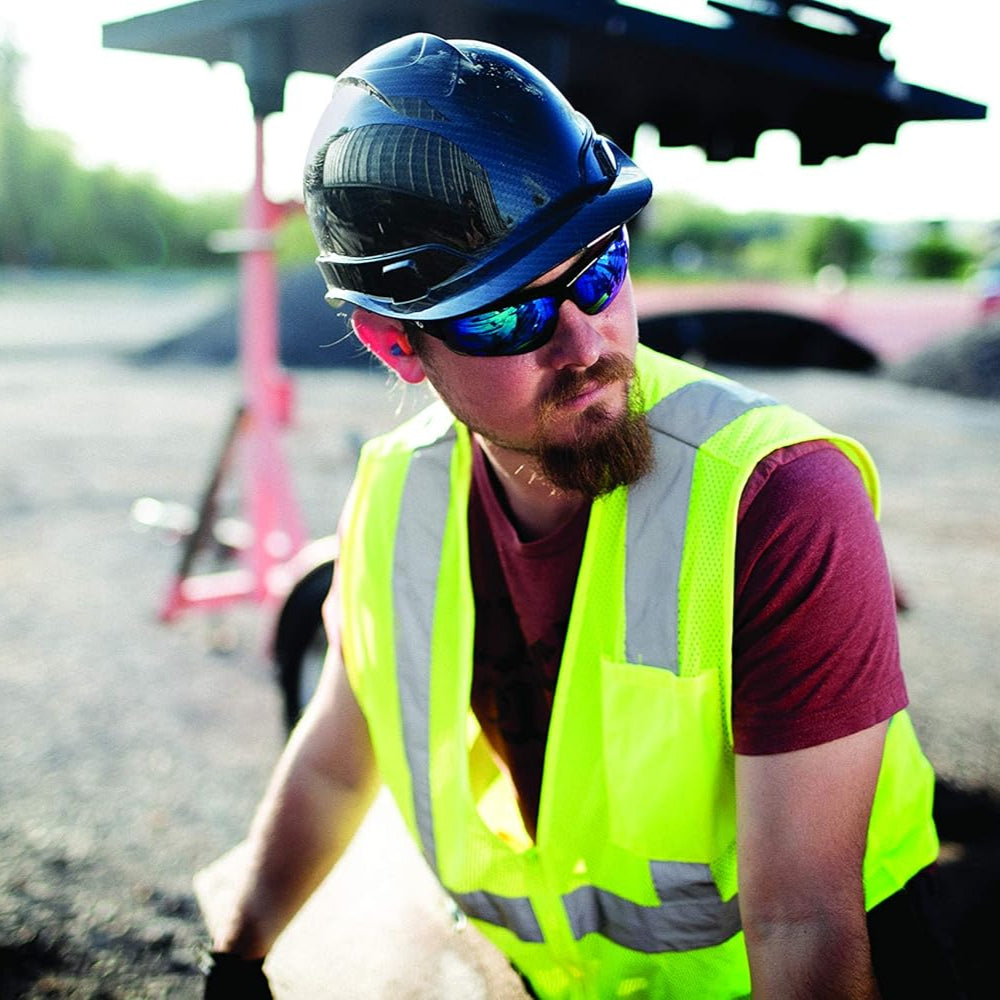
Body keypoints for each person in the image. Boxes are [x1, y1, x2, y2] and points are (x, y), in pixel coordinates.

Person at [204, 33, 960, 1000]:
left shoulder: (775, 500)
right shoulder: (396, 491)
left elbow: (802, 918)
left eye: (599, 268)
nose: (586, 341)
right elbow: (334, 761)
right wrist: (239, 953)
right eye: (505, 314)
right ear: (395, 345)